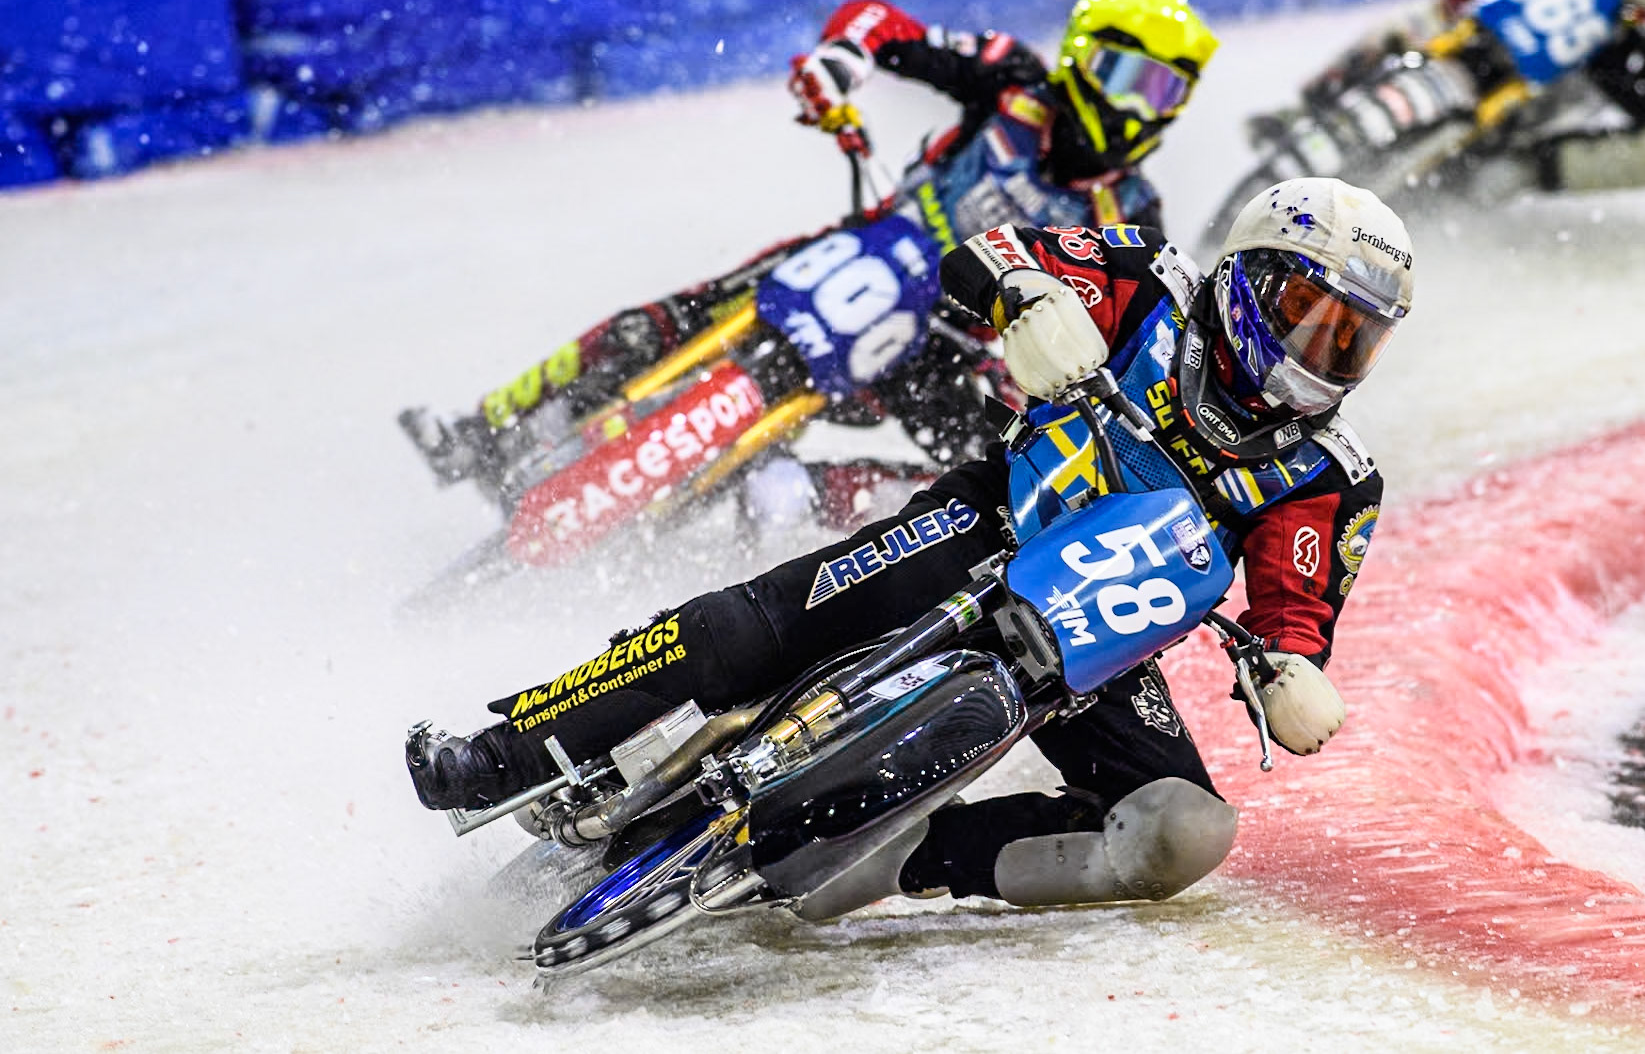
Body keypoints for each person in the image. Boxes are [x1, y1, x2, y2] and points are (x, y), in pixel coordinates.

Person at [407, 176, 1413, 909]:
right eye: (1304, 309)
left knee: (1182, 829)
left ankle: (902, 854)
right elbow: (984, 257)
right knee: (744, 628)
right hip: (984, 522)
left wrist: (1289, 669)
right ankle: (500, 753)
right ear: (1247, 271)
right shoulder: (1150, 278)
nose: (1317, 347)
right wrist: (1027, 301)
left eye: (1348, 336)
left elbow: (1295, 612)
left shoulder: (1337, 476)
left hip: (1094, 646)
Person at [402, 0, 1219, 501]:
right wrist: (841, 61)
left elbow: (1130, 336)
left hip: (949, 346)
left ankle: (801, 500)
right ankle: (481, 435)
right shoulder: (1014, 80)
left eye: (1162, 91)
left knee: (1005, 477)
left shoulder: (1130, 212)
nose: (1135, 108)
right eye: (1124, 76)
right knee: (656, 324)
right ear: (1080, 58)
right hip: (865, 248)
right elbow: (880, 22)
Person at [1290, 0, 1645, 194]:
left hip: (1614, 31)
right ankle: (1318, 98)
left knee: (1517, 131)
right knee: (1442, 11)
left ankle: (1493, 172)